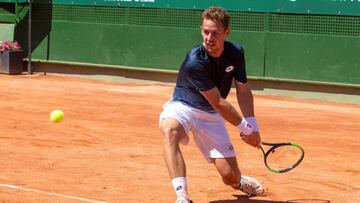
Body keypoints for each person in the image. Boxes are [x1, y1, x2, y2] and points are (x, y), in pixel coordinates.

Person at [159, 6, 264, 203]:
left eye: (215, 33)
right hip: (184, 107)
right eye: (205, 32)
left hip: (211, 118)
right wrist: (245, 129)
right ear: (201, 30)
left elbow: (243, 89)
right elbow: (219, 102)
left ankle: (240, 183)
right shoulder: (195, 61)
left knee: (230, 176)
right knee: (169, 130)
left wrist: (253, 125)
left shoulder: (236, 52)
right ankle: (182, 196)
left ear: (226, 32)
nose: (209, 37)